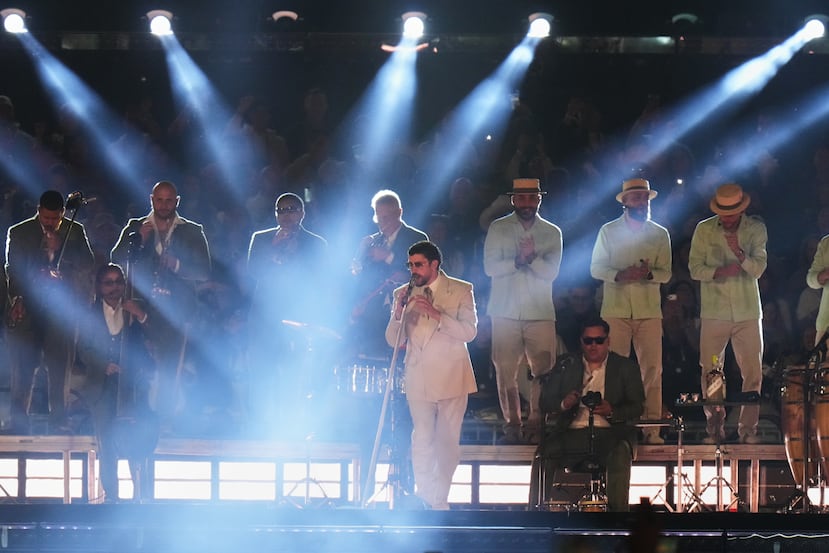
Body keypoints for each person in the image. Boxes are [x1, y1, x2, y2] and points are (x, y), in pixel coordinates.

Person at [111, 180, 211, 432]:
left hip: (176, 310)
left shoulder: (191, 230)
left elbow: (204, 271)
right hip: (140, 303)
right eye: (159, 199)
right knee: (134, 359)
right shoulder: (136, 227)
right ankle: (131, 414)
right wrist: (139, 242)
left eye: (169, 200)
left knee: (169, 364)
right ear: (151, 200)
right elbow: (115, 261)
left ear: (177, 202)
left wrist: (177, 265)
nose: (164, 204)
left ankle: (165, 418)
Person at [386, 240, 478, 510]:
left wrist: (437, 314)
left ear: (434, 264)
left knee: (447, 440)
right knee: (422, 437)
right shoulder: (401, 293)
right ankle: (426, 496)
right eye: (410, 264)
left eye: (418, 264)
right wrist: (399, 312)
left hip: (452, 374)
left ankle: (440, 498)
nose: (413, 270)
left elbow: (469, 333)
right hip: (418, 374)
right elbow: (393, 340)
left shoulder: (461, 289)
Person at [530, 317, 645, 512]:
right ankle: (534, 516)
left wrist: (612, 410)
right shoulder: (567, 364)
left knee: (620, 453)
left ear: (608, 341)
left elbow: (637, 407)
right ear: (581, 341)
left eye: (599, 340)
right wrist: (563, 403)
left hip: (610, 433)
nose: (593, 346)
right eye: (588, 341)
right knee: (544, 453)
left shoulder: (625, 367)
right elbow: (545, 402)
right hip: (572, 431)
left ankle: (617, 520)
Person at [5, 190, 95, 433]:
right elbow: (13, 271)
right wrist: (18, 298)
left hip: (61, 308)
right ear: (38, 210)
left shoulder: (75, 232)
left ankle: (59, 421)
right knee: (22, 365)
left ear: (62, 214)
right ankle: (18, 422)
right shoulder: (19, 232)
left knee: (59, 367)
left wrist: (66, 251)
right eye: (45, 218)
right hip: (30, 304)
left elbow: (88, 266)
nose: (49, 223)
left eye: (54, 219)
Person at [590, 178, 671, 444]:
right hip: (616, 309)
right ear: (624, 202)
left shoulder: (660, 233)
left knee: (652, 370)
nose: (642, 202)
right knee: (613, 371)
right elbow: (596, 268)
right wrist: (620, 275)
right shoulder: (608, 231)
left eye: (644, 197)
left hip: (648, 311)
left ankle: (652, 429)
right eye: (636, 198)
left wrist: (646, 273)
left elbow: (666, 272)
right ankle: (615, 427)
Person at [483, 178, 562, 443]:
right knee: (505, 372)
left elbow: (551, 273)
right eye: (522, 198)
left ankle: (537, 423)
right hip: (504, 310)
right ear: (513, 199)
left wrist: (531, 258)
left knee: (544, 371)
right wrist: (519, 260)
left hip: (539, 311)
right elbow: (490, 268)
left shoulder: (552, 232)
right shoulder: (498, 228)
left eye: (532, 198)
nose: (527, 203)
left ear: (539, 199)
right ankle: (513, 425)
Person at [689, 183, 767, 444]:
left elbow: (758, 269)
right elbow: (694, 269)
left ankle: (748, 430)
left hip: (747, 312)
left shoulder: (755, 228)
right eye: (723, 211)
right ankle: (715, 429)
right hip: (714, 313)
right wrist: (718, 272)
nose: (728, 217)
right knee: (711, 370)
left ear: (742, 208)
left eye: (732, 211)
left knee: (753, 371)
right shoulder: (704, 229)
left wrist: (738, 253)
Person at [246, 192, 328, 436]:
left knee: (294, 375)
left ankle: (292, 426)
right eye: (281, 210)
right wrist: (275, 249)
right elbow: (253, 271)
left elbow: (319, 278)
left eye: (292, 209)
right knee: (262, 373)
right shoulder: (261, 239)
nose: (287, 214)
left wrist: (295, 256)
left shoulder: (316, 243)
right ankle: (260, 426)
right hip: (264, 318)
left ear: (302, 213)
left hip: (299, 319)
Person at [75, 264, 156, 502]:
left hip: (132, 386)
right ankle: (112, 498)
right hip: (102, 386)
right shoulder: (89, 313)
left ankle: (141, 496)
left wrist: (141, 315)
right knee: (107, 444)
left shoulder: (134, 310)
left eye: (118, 282)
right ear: (100, 287)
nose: (114, 287)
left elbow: (156, 339)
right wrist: (104, 365)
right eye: (108, 283)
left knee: (136, 440)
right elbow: (84, 350)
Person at [350, 189, 428, 358]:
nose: (382, 222)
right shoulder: (371, 241)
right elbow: (359, 277)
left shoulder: (417, 238)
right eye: (379, 217)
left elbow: (422, 272)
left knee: (399, 362)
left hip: (404, 311)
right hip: (372, 313)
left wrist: (389, 257)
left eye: (387, 217)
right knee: (370, 358)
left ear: (399, 213)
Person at [806, 233, 829, 346]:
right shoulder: (826, 243)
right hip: (826, 323)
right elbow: (811, 279)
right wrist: (823, 275)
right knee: (823, 362)